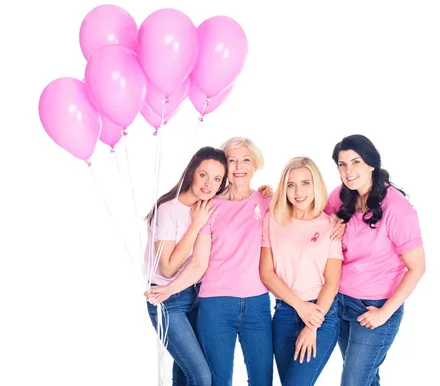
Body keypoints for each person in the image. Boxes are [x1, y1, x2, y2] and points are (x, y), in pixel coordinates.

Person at [147, 137, 273, 386]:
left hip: (252, 303)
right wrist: (169, 289)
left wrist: (335, 222)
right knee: (211, 379)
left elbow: (301, 218)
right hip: (211, 303)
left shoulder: (268, 201)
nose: (239, 166)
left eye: (245, 160)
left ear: (255, 165)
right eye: (232, 160)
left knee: (260, 380)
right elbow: (196, 264)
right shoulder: (206, 207)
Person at [324, 134, 426, 386]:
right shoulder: (340, 196)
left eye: (355, 162)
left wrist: (384, 313)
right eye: (342, 164)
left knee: (354, 381)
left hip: (375, 308)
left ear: (371, 163)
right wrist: (332, 220)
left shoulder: (397, 208)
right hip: (341, 303)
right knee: (366, 380)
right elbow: (311, 224)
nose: (348, 171)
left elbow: (417, 267)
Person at [144, 146, 228, 386]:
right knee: (201, 376)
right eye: (203, 175)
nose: (208, 183)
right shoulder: (168, 209)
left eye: (216, 179)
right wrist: (196, 224)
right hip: (167, 301)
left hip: (195, 296)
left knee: (184, 374)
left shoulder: (207, 206)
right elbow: (168, 267)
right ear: (191, 172)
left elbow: (199, 262)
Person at [260, 157, 343, 385]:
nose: (299, 191)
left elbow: (332, 283)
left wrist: (311, 324)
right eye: (291, 184)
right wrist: (299, 306)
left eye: (306, 183)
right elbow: (267, 273)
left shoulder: (330, 225)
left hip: (321, 315)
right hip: (285, 313)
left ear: (316, 184)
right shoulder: (272, 220)